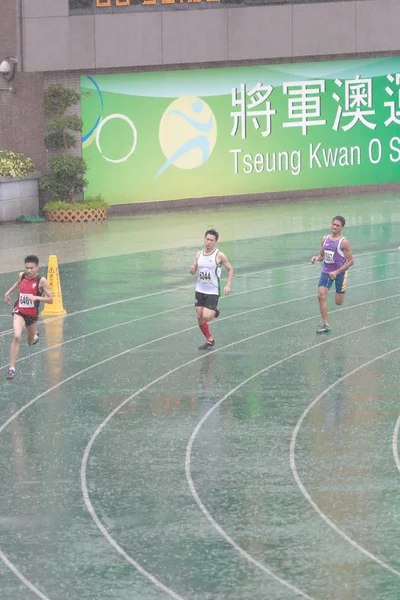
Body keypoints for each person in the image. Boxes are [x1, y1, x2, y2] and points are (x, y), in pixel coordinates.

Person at [4, 255, 53, 380]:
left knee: (30, 341)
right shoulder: (23, 275)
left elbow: (51, 299)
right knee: (17, 336)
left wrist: (37, 297)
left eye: (31, 268)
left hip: (32, 315)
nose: (29, 271)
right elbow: (18, 282)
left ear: (37, 267)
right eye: (27, 268)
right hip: (19, 311)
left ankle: (35, 336)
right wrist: (8, 292)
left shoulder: (41, 281)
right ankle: (12, 369)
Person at [190, 229, 234, 349]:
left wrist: (228, 284)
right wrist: (192, 269)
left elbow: (230, 269)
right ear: (204, 239)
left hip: (212, 291)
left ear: (215, 242)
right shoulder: (199, 254)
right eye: (207, 239)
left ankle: (215, 310)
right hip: (199, 290)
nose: (208, 242)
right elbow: (194, 271)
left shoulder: (219, 255)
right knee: (199, 317)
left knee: (206, 316)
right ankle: (210, 340)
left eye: (211, 240)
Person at [311, 216, 354, 334]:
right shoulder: (325, 239)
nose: (334, 227)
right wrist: (316, 258)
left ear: (342, 227)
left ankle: (340, 289)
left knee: (338, 302)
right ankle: (326, 325)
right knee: (320, 296)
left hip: (340, 272)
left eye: (338, 225)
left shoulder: (344, 242)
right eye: (333, 224)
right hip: (326, 271)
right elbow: (322, 256)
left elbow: (351, 261)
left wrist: (337, 272)